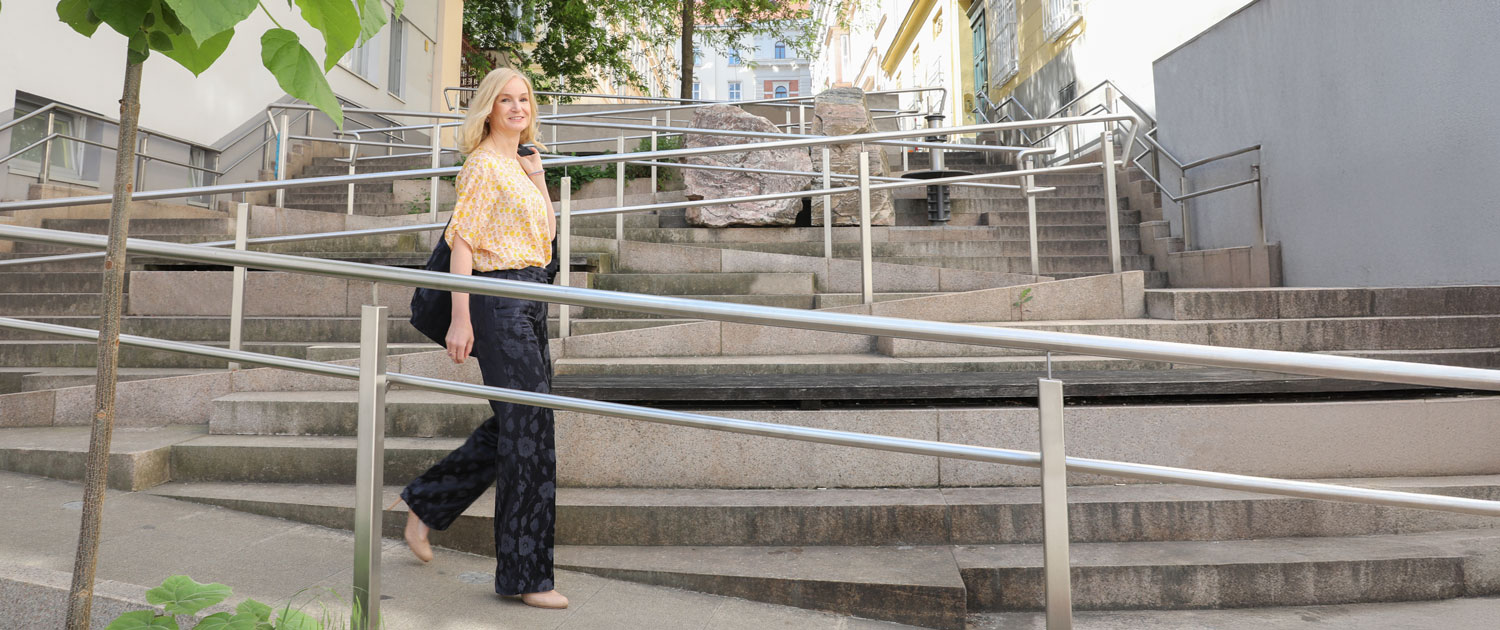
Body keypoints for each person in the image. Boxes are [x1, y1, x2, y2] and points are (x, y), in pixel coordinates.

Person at [394, 66, 566, 610]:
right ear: (488, 108)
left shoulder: (520, 165)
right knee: (530, 432)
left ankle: (425, 503)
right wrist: (460, 319)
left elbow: (545, 240)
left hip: (531, 299)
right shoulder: (482, 166)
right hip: (497, 304)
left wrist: (539, 181)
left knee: (522, 424)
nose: (517, 108)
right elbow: (463, 247)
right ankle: (526, 577)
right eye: (505, 100)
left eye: (524, 99)